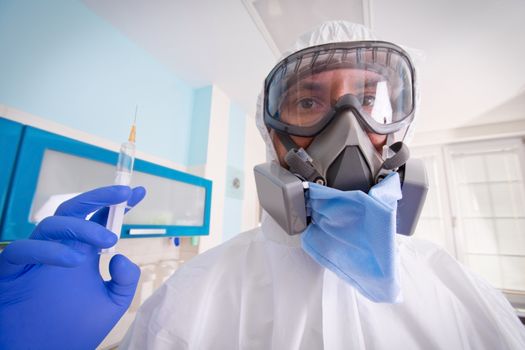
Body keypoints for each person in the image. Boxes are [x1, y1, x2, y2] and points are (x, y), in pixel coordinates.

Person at [1, 21, 524, 350]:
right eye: (309, 102)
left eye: (370, 102)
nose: (348, 127)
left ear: (398, 132)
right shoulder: (195, 295)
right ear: (273, 136)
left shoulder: (456, 289)